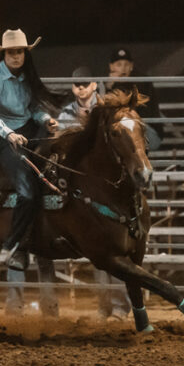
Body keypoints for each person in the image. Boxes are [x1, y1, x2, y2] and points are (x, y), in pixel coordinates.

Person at [0, 29, 60, 272]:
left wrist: (46, 118)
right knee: (27, 191)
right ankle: (12, 245)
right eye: (12, 52)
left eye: (20, 52)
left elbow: (33, 108)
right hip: (4, 136)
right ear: (4, 54)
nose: (16, 56)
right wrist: (9, 134)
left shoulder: (28, 76)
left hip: (31, 129)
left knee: (56, 170)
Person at [56, 65, 130, 320]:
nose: (80, 88)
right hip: (85, 187)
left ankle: (118, 306)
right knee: (100, 249)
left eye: (84, 84)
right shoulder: (67, 114)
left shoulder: (106, 112)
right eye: (76, 84)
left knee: (111, 246)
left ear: (93, 86)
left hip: (106, 186)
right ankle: (106, 306)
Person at [107, 47, 164, 151]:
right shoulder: (106, 85)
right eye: (119, 65)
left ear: (131, 66)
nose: (123, 68)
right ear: (111, 67)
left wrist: (116, 86)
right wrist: (109, 88)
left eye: (126, 64)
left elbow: (132, 113)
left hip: (148, 133)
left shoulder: (142, 82)